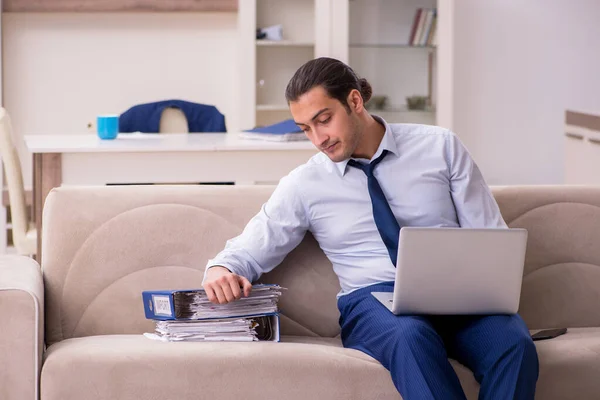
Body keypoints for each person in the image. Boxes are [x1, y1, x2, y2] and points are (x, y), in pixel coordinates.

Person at [202, 57, 539, 399]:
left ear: (354, 101)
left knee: (513, 344)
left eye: (324, 120)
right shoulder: (305, 183)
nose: (318, 138)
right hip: (372, 301)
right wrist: (221, 267)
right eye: (306, 128)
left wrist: (485, 285)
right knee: (411, 337)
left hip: (455, 292)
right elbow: (252, 245)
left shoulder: (440, 147)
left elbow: (490, 237)